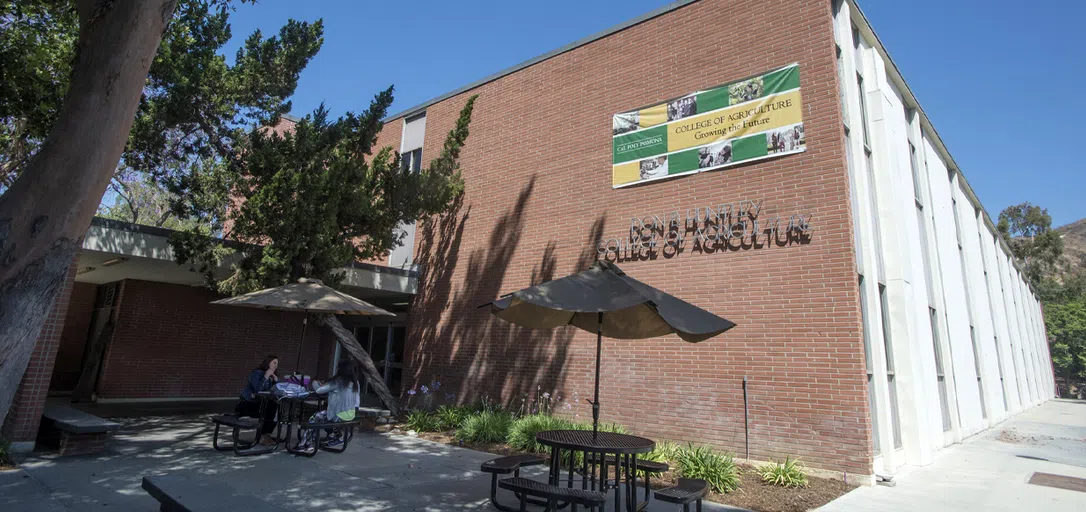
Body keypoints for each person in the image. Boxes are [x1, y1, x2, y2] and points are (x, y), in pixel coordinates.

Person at [299, 359, 361, 450]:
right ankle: (336, 437)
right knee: (326, 416)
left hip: (338, 415)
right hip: (351, 414)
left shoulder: (337, 381)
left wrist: (314, 382)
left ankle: (305, 444)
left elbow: (319, 390)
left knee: (316, 417)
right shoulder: (356, 383)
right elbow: (356, 400)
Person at [235, 354, 279, 446]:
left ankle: (266, 435)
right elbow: (258, 390)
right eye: (274, 362)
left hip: (261, 405)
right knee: (271, 408)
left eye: (277, 364)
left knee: (276, 408)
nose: (276, 365)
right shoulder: (256, 373)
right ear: (268, 362)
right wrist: (266, 376)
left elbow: (275, 393)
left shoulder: (272, 377)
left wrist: (276, 381)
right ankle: (264, 436)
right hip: (247, 404)